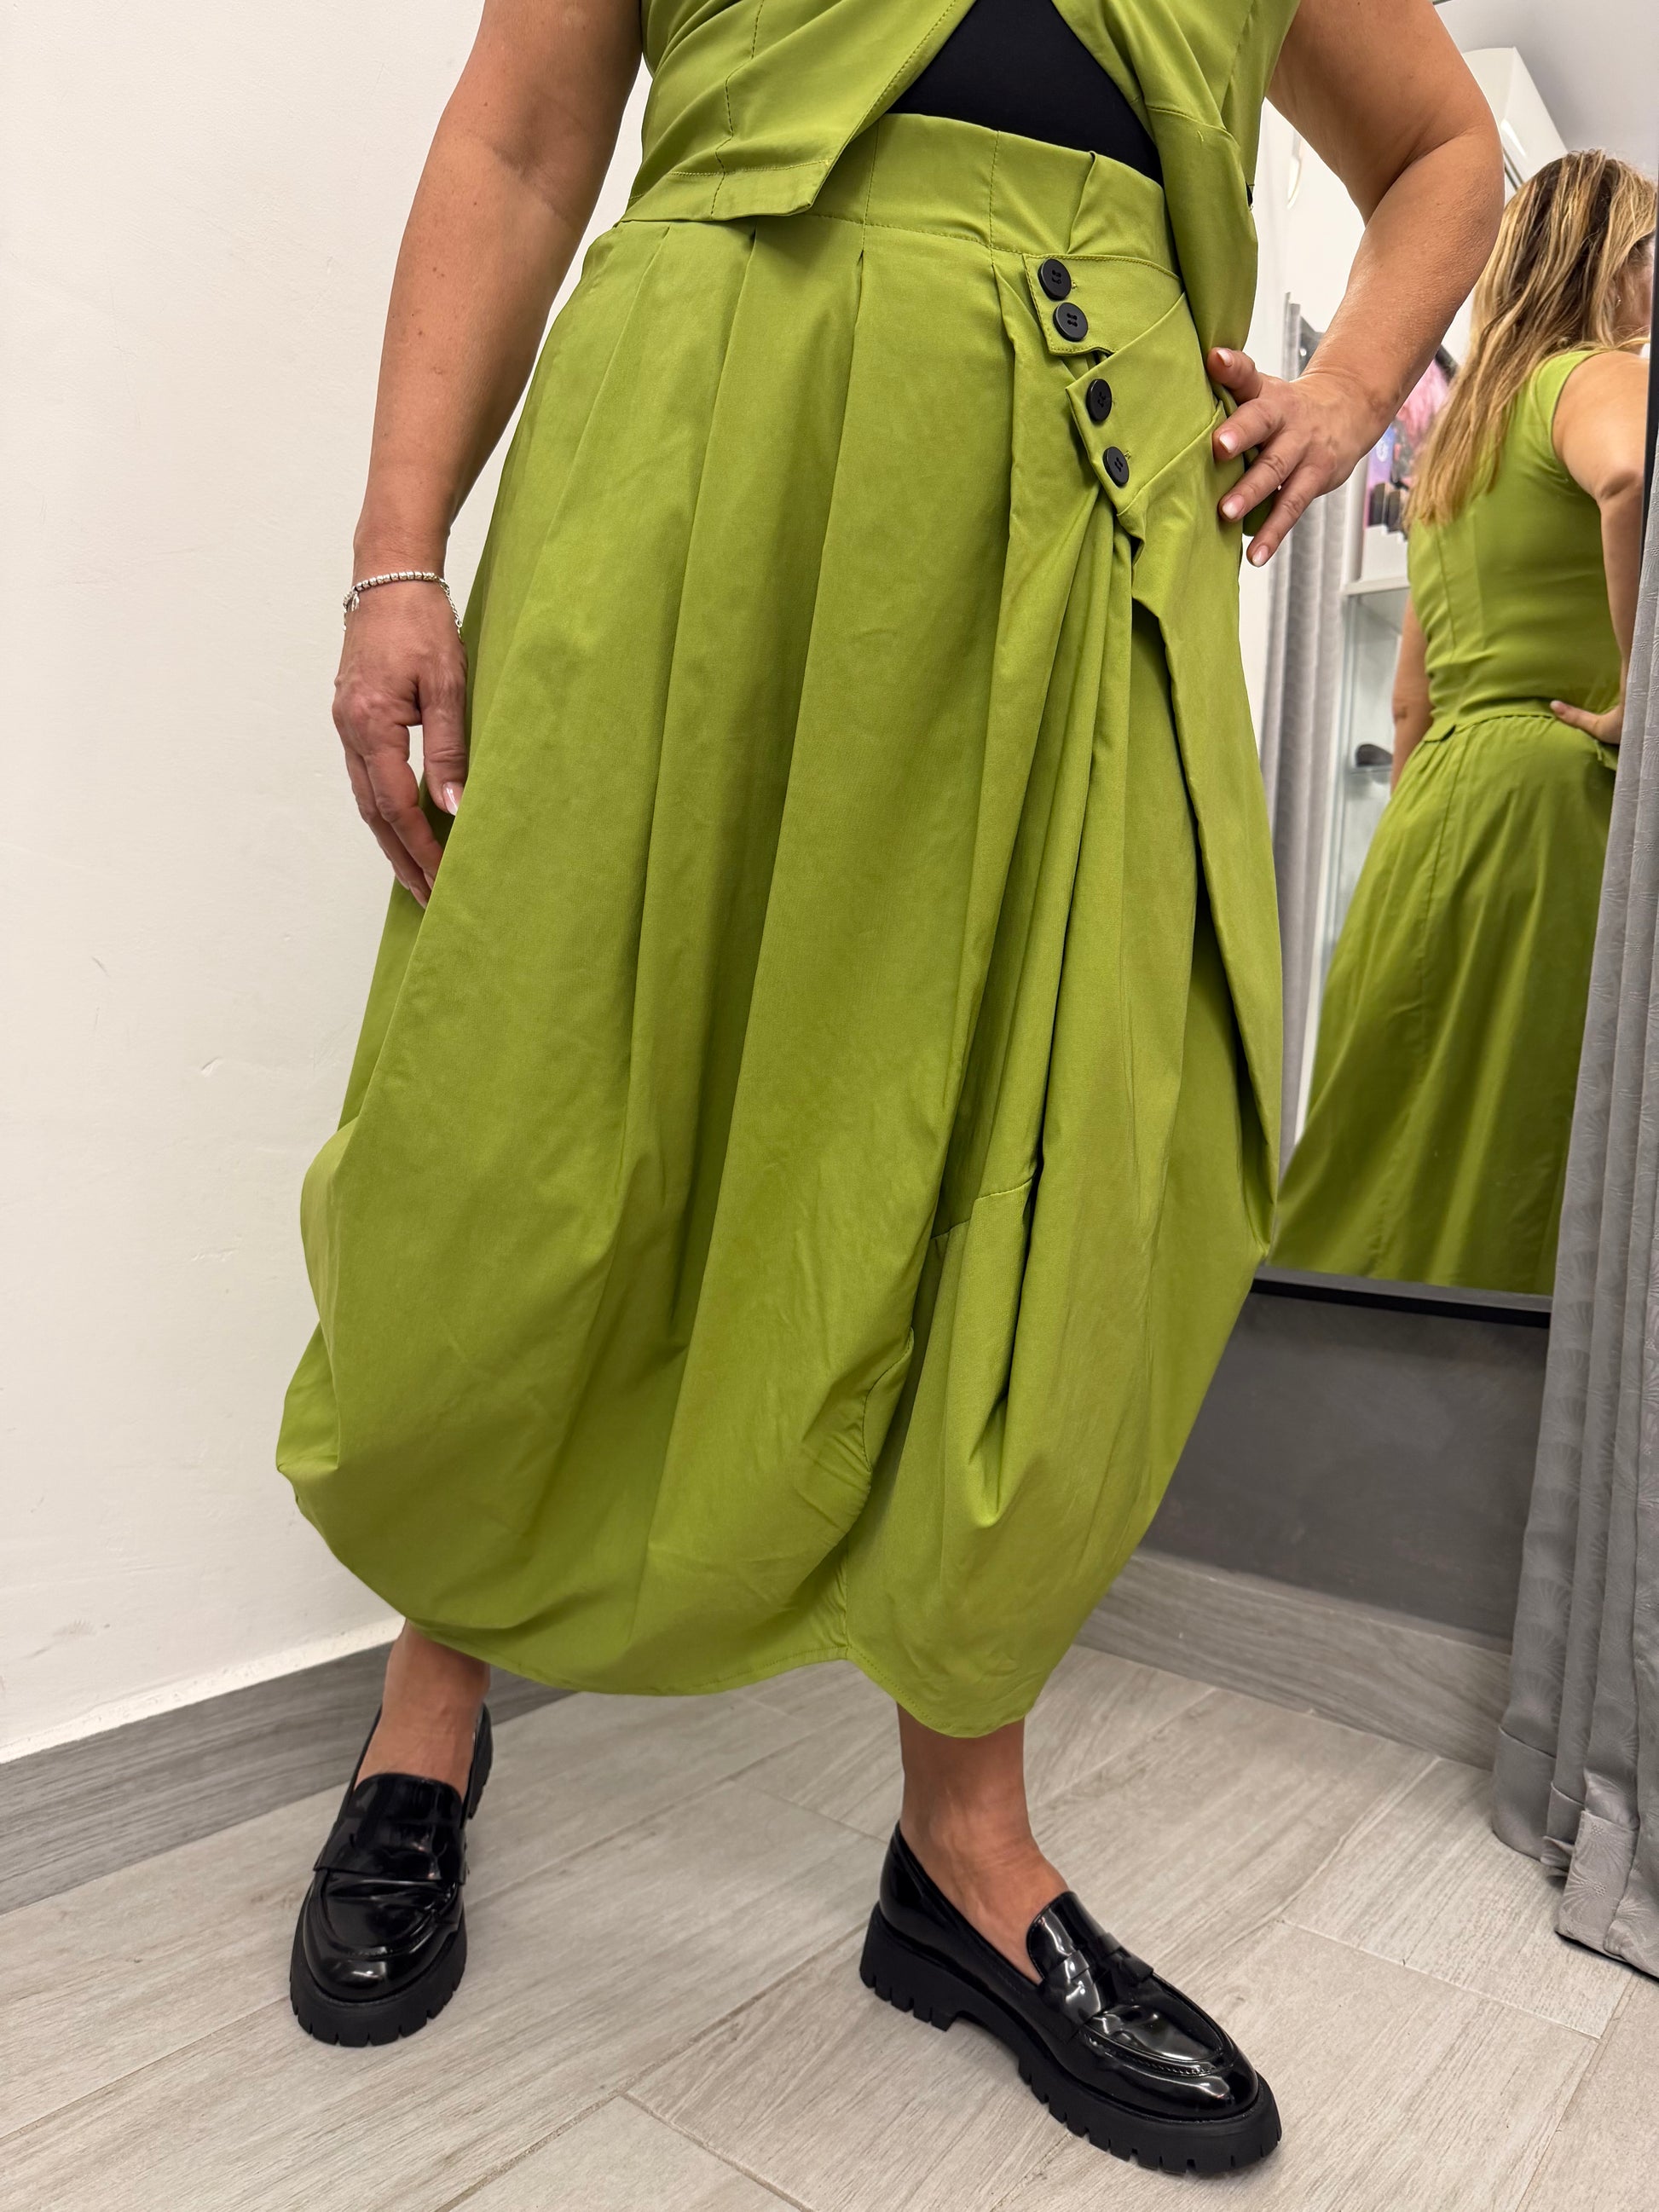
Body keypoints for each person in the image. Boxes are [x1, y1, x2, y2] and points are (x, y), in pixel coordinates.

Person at [275, 0, 1498, 2171]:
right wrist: (398, 552)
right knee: (544, 1079)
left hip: (1085, 511)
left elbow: (1442, 152)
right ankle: (426, 1716)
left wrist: (1343, 392)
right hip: (702, 452)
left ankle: (964, 1844)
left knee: (1053, 1137)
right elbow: (522, 144)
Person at [1274, 153, 1656, 1296]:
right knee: (1525, 1141)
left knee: (1381, 1145)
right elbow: (1630, 480)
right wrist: (1641, 694)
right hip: (1559, 795)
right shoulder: (1600, 376)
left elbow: (1410, 696)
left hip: (1437, 807)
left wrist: (1426, 827)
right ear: (1611, 262)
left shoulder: (1454, 447)